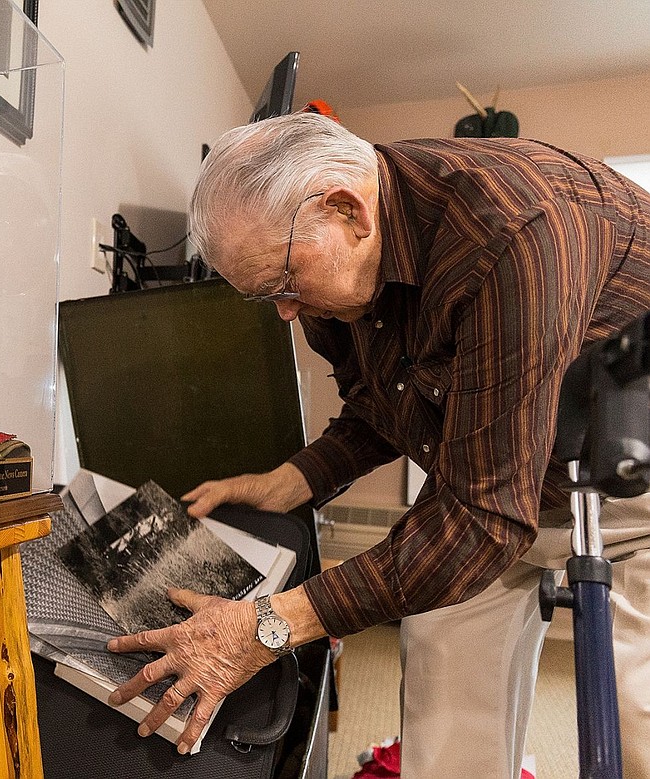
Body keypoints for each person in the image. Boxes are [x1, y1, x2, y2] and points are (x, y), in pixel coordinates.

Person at [106, 112, 650, 777]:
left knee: (635, 719)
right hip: (495, 480)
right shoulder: (329, 289)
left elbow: (482, 521)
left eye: (282, 283)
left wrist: (270, 625)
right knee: (441, 673)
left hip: (630, 480)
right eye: (264, 297)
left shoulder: (515, 232)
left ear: (348, 210)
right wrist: (293, 478)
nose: (285, 311)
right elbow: (383, 406)